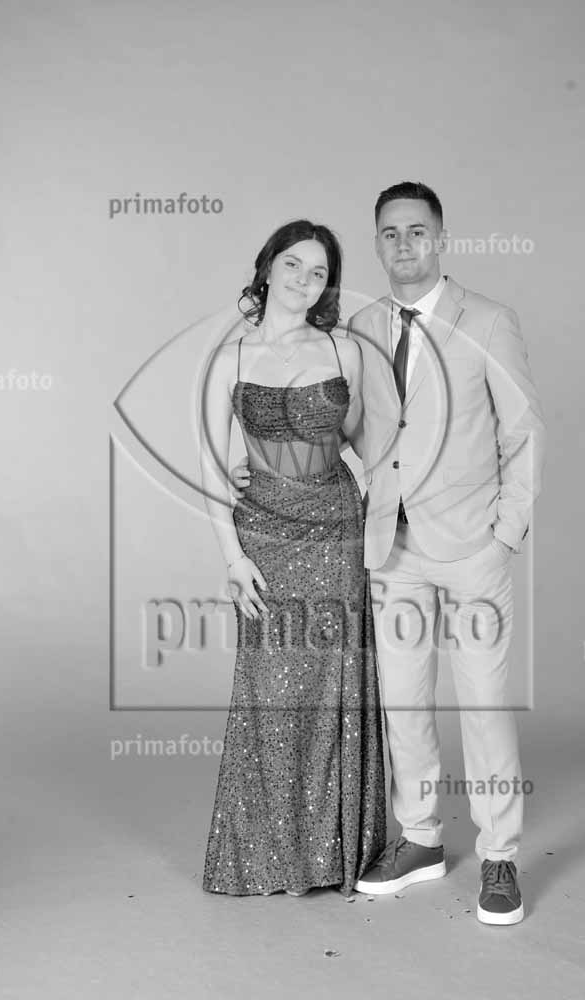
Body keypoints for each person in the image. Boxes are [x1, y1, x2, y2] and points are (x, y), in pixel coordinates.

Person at [232, 184, 546, 923]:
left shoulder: (488, 320)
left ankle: (499, 855)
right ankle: (421, 838)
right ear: (377, 244)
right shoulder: (362, 327)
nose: (404, 244)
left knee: (483, 705)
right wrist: (267, 457)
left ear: (441, 237)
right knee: (403, 703)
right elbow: (345, 426)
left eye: (417, 231)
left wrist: (505, 532)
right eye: (390, 234)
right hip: (388, 546)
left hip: (470, 547)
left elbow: (523, 430)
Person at [200, 219, 386, 897]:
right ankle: (268, 855)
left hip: (336, 529)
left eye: (319, 272)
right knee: (271, 690)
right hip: (264, 536)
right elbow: (208, 465)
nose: (304, 281)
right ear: (267, 267)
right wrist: (231, 557)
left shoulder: (343, 349)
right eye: (293, 265)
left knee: (335, 685)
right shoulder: (228, 359)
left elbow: (361, 437)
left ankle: (334, 852)